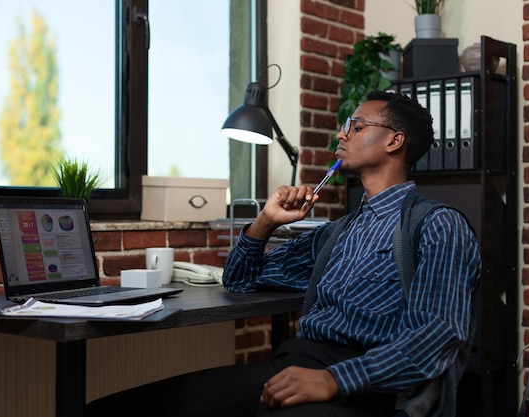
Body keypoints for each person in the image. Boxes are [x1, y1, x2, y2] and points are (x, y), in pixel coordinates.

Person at [85, 90, 481, 417]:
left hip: (369, 391)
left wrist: (335, 379)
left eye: (356, 126)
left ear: (395, 140)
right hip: (294, 366)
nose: (341, 135)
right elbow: (240, 280)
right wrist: (264, 223)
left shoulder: (437, 225)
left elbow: (437, 336)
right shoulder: (336, 233)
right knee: (126, 407)